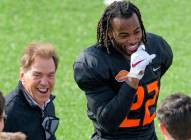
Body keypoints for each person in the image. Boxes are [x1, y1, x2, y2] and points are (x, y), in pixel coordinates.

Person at [74, 1, 173, 140]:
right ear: (110, 33)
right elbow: (108, 122)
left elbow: (161, 67)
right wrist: (133, 77)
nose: (133, 40)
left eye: (137, 32)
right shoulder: (93, 62)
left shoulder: (157, 47)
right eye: (124, 35)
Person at [4, 43, 59, 140]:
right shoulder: (9, 112)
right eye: (37, 75)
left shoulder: (48, 103)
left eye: (50, 75)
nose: (44, 82)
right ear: (22, 76)